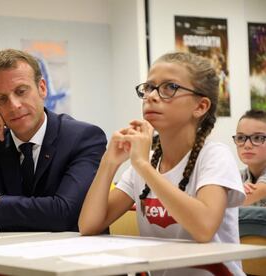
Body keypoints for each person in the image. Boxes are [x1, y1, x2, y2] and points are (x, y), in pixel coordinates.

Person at [79, 52, 245, 276]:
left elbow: (204, 228)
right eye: (149, 87)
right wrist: (109, 162)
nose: (152, 96)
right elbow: (89, 225)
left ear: (201, 106)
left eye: (170, 88)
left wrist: (143, 166)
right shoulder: (146, 163)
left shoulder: (214, 156)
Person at [0, 49, 107, 232]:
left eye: (21, 91)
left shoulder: (83, 138)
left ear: (42, 88)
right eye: (1, 99)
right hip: (14, 255)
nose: (14, 105)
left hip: (78, 254)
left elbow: (65, 214)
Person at [233, 109, 266, 207]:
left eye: (257, 138)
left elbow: (241, 199)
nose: (247, 145)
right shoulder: (239, 176)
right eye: (241, 138)